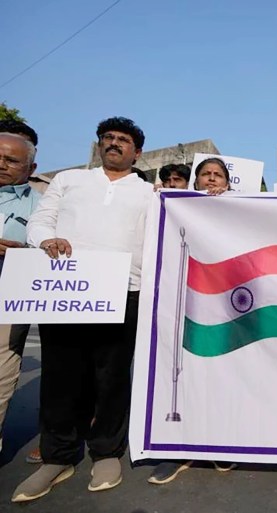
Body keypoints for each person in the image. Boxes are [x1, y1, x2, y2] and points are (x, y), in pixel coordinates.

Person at [13, 117, 154, 502]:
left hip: (125, 291)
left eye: (123, 140)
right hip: (66, 289)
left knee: (112, 378)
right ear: (97, 146)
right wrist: (47, 239)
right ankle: (57, 457)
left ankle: (106, 452)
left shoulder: (148, 193)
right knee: (61, 377)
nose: (114, 144)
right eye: (107, 138)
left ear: (136, 152)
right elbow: (39, 222)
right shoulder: (69, 181)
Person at [147, 156, 233, 486]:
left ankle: (219, 445)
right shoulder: (173, 205)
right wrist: (159, 201)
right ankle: (178, 449)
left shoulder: (239, 206)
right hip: (179, 302)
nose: (211, 180)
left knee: (219, 376)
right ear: (194, 181)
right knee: (180, 376)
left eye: (218, 175)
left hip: (223, 307)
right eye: (205, 175)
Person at [0, 133, 40, 453]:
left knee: (2, 371)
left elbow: (52, 245)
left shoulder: (41, 204)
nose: (1, 165)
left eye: (11, 160)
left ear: (30, 168)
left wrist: (26, 250)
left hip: (10, 296)